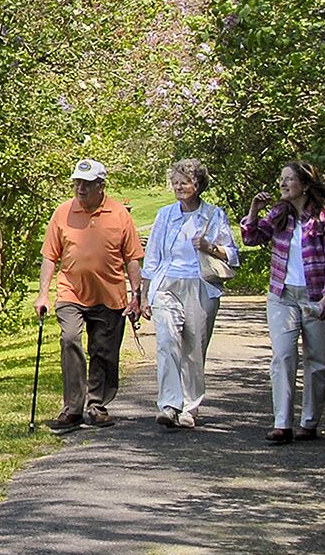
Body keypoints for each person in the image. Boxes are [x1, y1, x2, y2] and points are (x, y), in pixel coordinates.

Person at [240, 160, 325, 444]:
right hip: (282, 296)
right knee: (283, 356)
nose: (283, 184)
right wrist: (253, 211)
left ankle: (309, 423)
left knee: (317, 362)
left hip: (316, 296)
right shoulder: (279, 214)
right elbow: (252, 238)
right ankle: (282, 423)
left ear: (306, 185)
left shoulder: (324, 218)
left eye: (289, 179)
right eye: (281, 180)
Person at [36, 159, 145, 430]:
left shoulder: (119, 214)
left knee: (104, 351)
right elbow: (50, 256)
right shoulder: (63, 213)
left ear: (101, 186)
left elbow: (132, 258)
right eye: (77, 183)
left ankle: (97, 405)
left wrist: (137, 295)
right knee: (70, 339)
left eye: (86, 184)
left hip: (110, 295)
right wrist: (42, 295)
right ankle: (73, 408)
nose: (80, 189)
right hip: (70, 292)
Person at [141, 159, 238, 430]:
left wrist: (209, 247)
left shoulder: (214, 215)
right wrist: (144, 294)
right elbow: (152, 258)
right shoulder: (164, 215)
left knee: (194, 349)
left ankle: (189, 407)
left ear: (198, 184)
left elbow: (232, 254)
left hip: (200, 285)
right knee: (167, 341)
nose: (179, 186)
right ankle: (169, 405)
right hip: (167, 284)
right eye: (175, 182)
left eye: (185, 181)